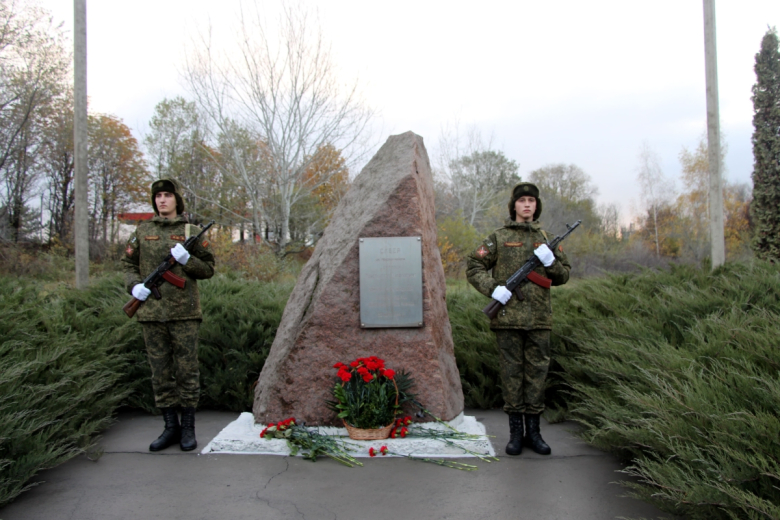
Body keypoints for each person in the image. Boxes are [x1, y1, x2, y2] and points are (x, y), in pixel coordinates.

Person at [466, 182, 571, 456]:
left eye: (532, 201)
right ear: (514, 205)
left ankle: (534, 434)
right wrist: (493, 289)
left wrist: (550, 262)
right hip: (508, 319)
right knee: (512, 376)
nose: (527, 204)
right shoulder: (498, 238)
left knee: (537, 376)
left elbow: (563, 276)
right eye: (522, 200)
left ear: (537, 206)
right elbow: (473, 265)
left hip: (538, 320)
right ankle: (515, 434)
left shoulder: (547, 239)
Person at [121, 178, 215, 452]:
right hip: (151, 314)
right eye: (158, 196)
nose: (162, 200)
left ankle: (187, 428)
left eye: (167, 195)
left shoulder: (191, 231)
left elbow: (209, 269)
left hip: (184, 314)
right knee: (160, 373)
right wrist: (134, 286)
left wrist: (188, 261)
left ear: (176, 200)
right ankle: (169, 428)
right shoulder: (142, 230)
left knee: (187, 371)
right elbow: (128, 263)